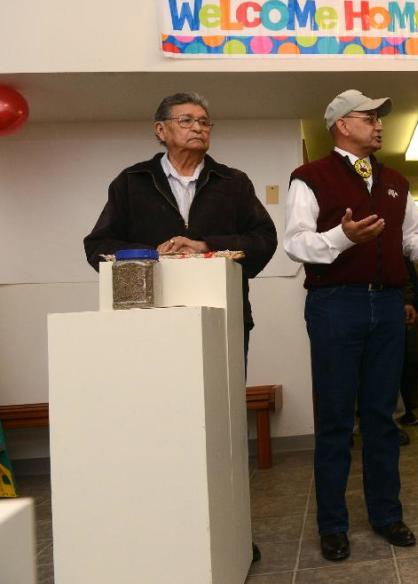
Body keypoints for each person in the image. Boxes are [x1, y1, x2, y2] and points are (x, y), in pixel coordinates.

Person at [83, 91, 277, 563]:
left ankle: (229, 531)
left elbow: (263, 239)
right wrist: (155, 254)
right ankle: (168, 528)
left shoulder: (233, 182)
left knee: (224, 429)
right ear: (160, 129)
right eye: (187, 120)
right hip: (150, 332)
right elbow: (98, 245)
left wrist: (203, 245)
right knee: (162, 427)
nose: (199, 128)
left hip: (226, 324)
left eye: (206, 122)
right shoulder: (130, 183)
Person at [283, 89, 418, 560]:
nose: (380, 124)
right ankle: (333, 524)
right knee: (337, 420)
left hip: (386, 306)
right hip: (334, 305)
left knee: (383, 418)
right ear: (342, 124)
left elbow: (410, 242)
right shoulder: (309, 177)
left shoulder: (397, 181)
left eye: (381, 117)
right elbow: (296, 244)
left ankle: (386, 515)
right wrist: (343, 236)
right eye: (370, 117)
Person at [398, 258, 418, 427]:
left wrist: (413, 304)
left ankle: (407, 410)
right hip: (393, 307)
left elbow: (410, 279)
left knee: (408, 362)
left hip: (407, 309)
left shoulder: (403, 248)